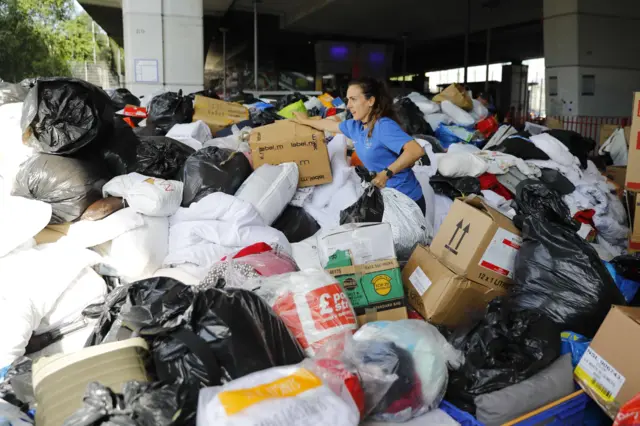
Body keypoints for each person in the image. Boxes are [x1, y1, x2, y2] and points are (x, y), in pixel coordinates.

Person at [293, 77, 427, 215]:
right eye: (348, 100)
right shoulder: (355, 127)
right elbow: (329, 125)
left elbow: (416, 150)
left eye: (354, 99)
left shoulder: (383, 126)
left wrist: (386, 173)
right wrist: (305, 120)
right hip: (387, 200)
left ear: (370, 101)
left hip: (407, 201)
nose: (349, 105)